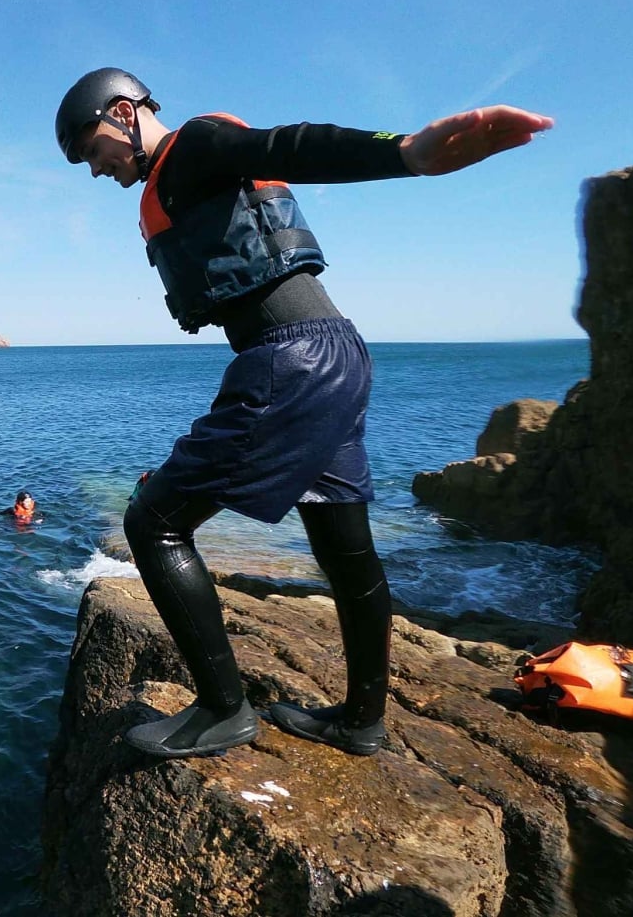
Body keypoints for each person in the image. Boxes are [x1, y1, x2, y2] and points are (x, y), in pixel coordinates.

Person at [55, 67, 553, 758]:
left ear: (120, 113)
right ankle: (362, 719)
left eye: (91, 149)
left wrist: (405, 152)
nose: (95, 169)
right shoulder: (177, 176)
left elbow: (287, 145)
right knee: (344, 548)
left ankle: (223, 711)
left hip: (291, 357)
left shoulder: (196, 144)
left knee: (154, 521)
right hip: (338, 351)